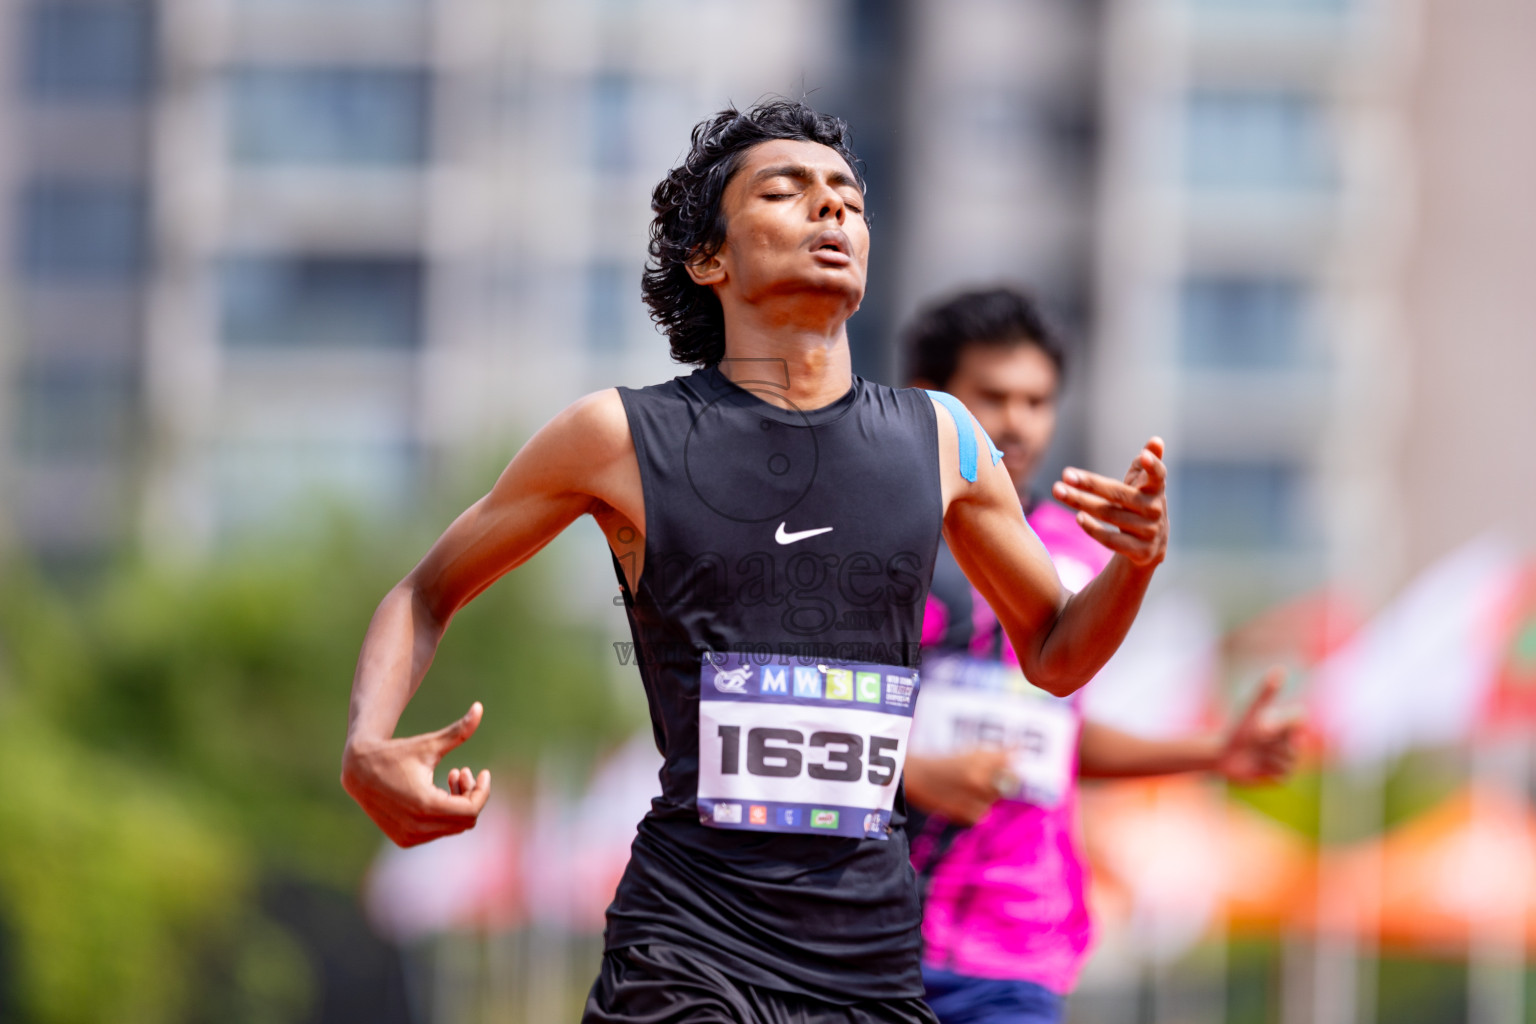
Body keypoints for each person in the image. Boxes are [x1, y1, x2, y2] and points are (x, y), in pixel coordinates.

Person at [340, 101, 1171, 1024]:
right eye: (787, 191)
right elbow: (425, 591)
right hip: (688, 937)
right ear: (711, 261)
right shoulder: (618, 436)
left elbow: (1056, 653)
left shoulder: (942, 439)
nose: (832, 212)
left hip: (870, 960)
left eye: (849, 201)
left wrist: (1132, 567)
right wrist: (367, 743)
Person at [900, 287, 1298, 1024]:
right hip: (872, 938)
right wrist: (907, 771)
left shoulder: (1074, 549)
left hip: (1022, 948)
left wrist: (1213, 751)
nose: (1017, 422)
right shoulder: (879, 540)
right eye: (992, 396)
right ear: (930, 399)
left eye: (1037, 400)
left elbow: (1058, 729)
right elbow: (798, 712)